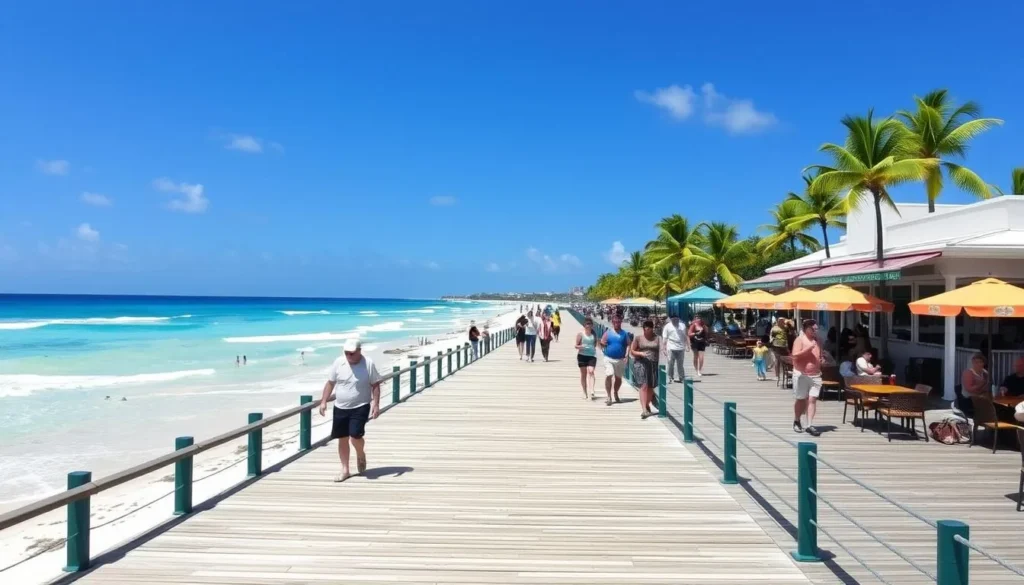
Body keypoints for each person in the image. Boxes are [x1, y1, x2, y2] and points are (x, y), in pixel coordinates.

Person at [318, 339, 381, 482]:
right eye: (347, 353)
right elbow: (330, 383)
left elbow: (375, 385)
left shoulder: (368, 364)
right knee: (342, 438)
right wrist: (323, 402)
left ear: (359, 351)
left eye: (352, 353)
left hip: (361, 405)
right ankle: (345, 470)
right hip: (340, 407)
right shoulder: (338, 362)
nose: (349, 356)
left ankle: (360, 453)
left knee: (355, 436)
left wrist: (376, 405)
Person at [791, 319, 824, 436]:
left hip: (815, 374)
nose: (815, 331)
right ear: (806, 329)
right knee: (800, 399)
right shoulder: (800, 340)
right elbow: (794, 355)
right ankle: (797, 420)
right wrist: (807, 350)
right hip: (801, 374)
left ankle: (809, 425)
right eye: (813, 329)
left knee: (812, 399)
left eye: (816, 329)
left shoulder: (818, 341)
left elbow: (820, 354)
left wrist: (821, 360)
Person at [630, 320, 661, 419]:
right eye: (645, 327)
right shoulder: (638, 338)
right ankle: (644, 410)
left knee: (651, 387)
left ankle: (647, 404)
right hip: (641, 363)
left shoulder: (657, 338)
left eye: (648, 327)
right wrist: (640, 353)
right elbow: (632, 351)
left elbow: (663, 349)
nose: (646, 329)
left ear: (652, 328)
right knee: (644, 385)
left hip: (653, 364)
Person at [599, 313, 630, 406]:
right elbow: (602, 342)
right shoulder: (608, 332)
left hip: (620, 359)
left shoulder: (624, 333)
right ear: (612, 322)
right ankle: (609, 396)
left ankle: (615, 392)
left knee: (618, 378)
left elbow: (628, 344)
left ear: (621, 322)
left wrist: (627, 355)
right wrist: (603, 346)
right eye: (615, 321)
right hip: (609, 358)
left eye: (618, 321)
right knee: (609, 374)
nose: (616, 323)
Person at [957, 352, 990, 416]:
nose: (979, 364)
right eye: (976, 362)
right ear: (973, 363)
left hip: (981, 395)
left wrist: (983, 388)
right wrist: (981, 385)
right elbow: (969, 389)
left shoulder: (985, 373)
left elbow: (988, 386)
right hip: (968, 398)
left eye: (981, 362)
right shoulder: (968, 373)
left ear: (984, 363)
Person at [575, 317, 598, 399]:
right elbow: (576, 346)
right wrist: (581, 346)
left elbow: (595, 344)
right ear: (584, 325)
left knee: (591, 371)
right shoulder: (580, 334)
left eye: (590, 324)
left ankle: (592, 390)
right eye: (587, 324)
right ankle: (584, 392)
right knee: (583, 374)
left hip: (592, 356)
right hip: (582, 356)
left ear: (592, 325)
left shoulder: (594, 334)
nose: (588, 325)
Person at [662, 315, 686, 383]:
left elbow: (685, 336)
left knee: (680, 364)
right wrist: (664, 348)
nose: (675, 321)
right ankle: (670, 377)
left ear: (679, 319)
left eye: (676, 319)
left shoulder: (682, 326)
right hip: (671, 347)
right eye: (673, 319)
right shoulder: (667, 326)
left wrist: (687, 345)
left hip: (681, 347)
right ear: (671, 319)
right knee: (670, 363)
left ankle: (681, 377)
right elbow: (665, 338)